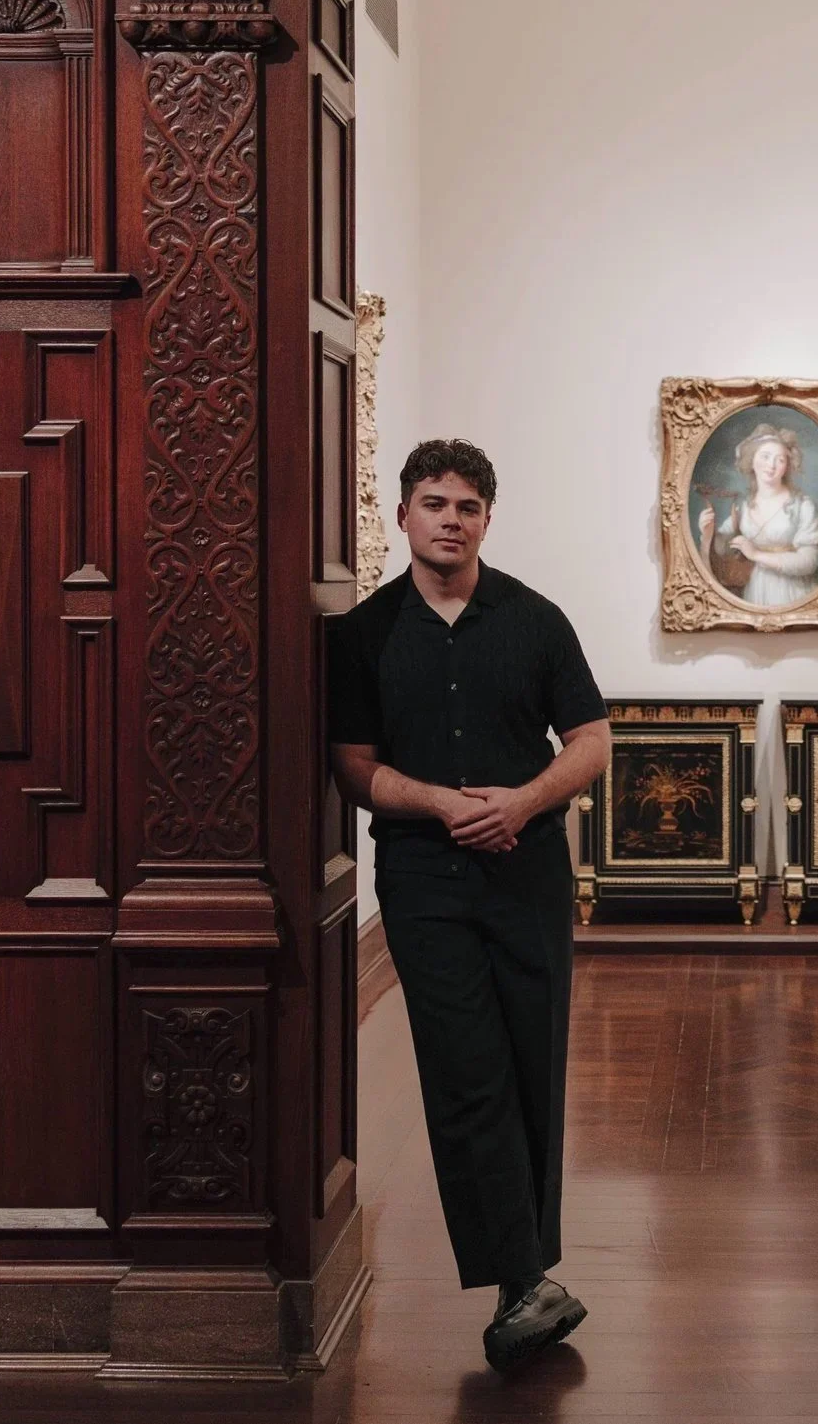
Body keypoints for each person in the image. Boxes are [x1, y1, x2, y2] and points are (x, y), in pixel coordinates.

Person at [327, 439, 612, 1372]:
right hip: (421, 878)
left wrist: (523, 800)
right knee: (466, 1067)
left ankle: (526, 1279)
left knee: (532, 1061)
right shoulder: (363, 633)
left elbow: (592, 740)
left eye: (467, 506)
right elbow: (356, 769)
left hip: (527, 871)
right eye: (433, 502)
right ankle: (522, 1278)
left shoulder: (536, 620)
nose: (450, 519)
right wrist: (444, 802)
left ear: (489, 517)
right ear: (401, 514)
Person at [696, 422, 818, 608]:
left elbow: (808, 562)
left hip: (795, 591)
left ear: (787, 466)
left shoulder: (802, 506)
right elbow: (723, 550)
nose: (771, 466)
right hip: (754, 590)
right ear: (752, 460)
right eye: (765, 457)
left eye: (780, 460)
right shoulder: (742, 507)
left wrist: (756, 554)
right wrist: (708, 533)